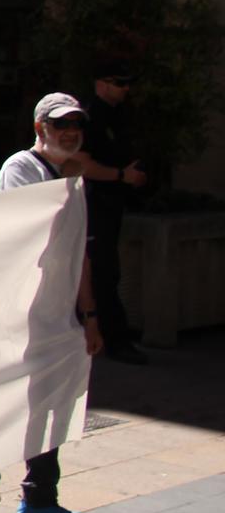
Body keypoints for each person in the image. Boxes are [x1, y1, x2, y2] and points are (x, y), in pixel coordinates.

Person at [0, 93, 105, 513]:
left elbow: (80, 252)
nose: (70, 132)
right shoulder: (21, 168)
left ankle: (40, 499)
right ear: (40, 128)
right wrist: (72, 181)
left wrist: (90, 315)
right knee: (8, 403)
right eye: (60, 125)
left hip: (57, 317)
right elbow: (28, 232)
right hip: (16, 315)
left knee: (53, 405)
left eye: (76, 124)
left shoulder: (74, 180)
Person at [82, 64, 149, 365]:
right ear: (100, 83)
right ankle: (113, 339)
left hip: (113, 203)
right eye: (119, 82)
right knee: (102, 273)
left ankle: (110, 336)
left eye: (128, 83)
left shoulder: (121, 116)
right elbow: (80, 165)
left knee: (105, 271)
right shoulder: (88, 117)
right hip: (94, 204)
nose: (125, 88)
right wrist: (121, 175)